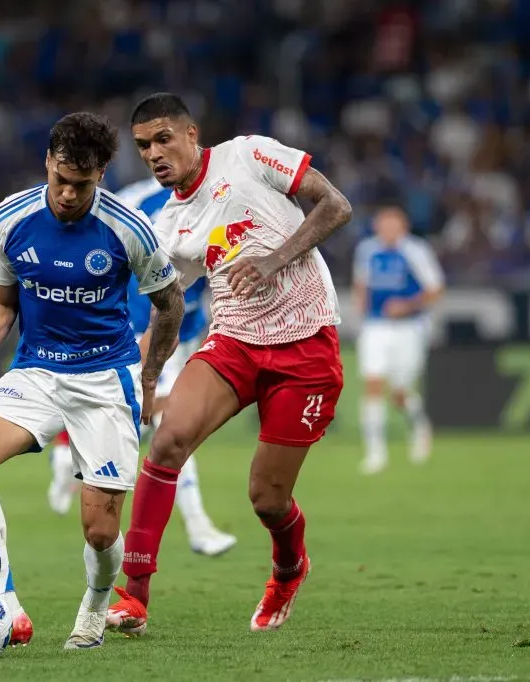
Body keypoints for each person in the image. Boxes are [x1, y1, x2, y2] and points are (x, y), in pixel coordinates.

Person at [0, 111, 184, 651]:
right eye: (61, 179)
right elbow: (2, 305)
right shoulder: (9, 220)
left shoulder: (128, 229)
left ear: (103, 174)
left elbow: (170, 302)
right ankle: (5, 607)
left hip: (105, 380)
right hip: (36, 371)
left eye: (81, 185)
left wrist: (150, 375)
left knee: (100, 532)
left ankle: (94, 604)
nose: (67, 194)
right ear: (47, 161)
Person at [105, 93, 352, 635]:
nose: (154, 153)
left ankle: (289, 569)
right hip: (234, 345)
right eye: (144, 146)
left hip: (306, 346)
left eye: (164, 138)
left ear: (192, 134)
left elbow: (336, 206)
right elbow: (166, 310)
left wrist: (273, 259)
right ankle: (133, 596)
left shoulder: (251, 155)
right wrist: (146, 378)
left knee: (266, 498)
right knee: (168, 441)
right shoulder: (169, 226)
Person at [47, 176, 237, 558]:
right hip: (138, 331)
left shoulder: (220, 195)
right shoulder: (137, 202)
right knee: (168, 425)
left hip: (182, 332)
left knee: (151, 426)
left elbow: (219, 269)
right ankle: (198, 527)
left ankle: (67, 456)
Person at [352, 206, 445, 475]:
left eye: (393, 224)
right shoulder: (367, 250)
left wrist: (407, 305)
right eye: (383, 224)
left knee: (400, 393)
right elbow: (362, 284)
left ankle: (419, 425)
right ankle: (375, 453)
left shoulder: (416, 250)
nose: (387, 230)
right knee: (372, 383)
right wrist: (362, 308)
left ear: (403, 226)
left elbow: (436, 289)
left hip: (409, 327)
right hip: (376, 325)